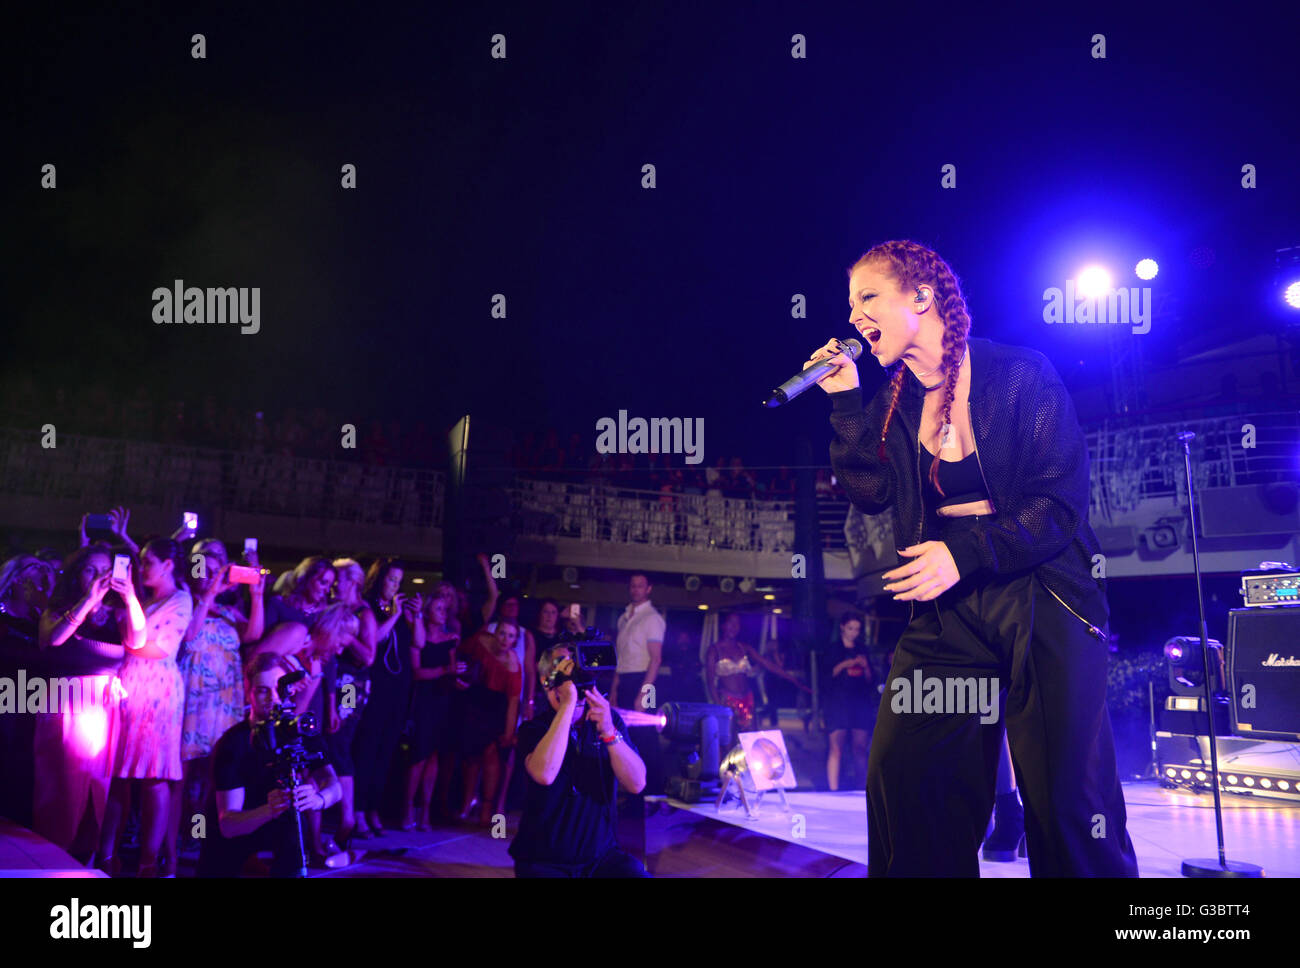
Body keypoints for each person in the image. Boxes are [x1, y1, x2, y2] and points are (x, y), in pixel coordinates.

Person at [811, 238, 1137, 877]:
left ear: (922, 297)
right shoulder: (894, 403)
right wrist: (845, 402)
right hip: (945, 612)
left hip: (1042, 594)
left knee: (1065, 798)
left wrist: (964, 552)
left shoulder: (1019, 373)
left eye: (868, 298)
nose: (853, 318)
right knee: (906, 777)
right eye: (850, 306)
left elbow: (1059, 504)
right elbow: (870, 493)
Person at [33, 547, 143, 865]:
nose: (98, 577)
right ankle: (49, 861)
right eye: (90, 570)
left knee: (97, 789)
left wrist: (131, 596)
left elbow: (137, 640)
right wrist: (89, 601)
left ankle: (86, 864)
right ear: (76, 573)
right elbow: (53, 639)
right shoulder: (56, 608)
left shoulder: (118, 614)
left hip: (103, 710)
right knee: (62, 789)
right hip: (65, 705)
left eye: (104, 571)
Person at [508, 644, 650, 877]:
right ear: (547, 681)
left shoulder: (607, 720)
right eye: (566, 670)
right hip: (543, 861)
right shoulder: (533, 729)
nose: (575, 679)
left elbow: (637, 783)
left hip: (601, 857)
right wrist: (567, 704)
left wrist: (609, 733)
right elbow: (544, 774)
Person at [197, 652, 341, 877]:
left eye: (278, 688)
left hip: (279, 827)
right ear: (249, 692)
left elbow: (334, 785)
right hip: (232, 837)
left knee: (295, 825)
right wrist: (271, 809)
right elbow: (228, 825)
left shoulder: (299, 730)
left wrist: (318, 800)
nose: (272, 698)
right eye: (263, 690)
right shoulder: (232, 743)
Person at [170, 538, 266, 871]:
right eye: (204, 568)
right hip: (193, 701)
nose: (210, 574)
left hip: (224, 701)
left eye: (216, 569)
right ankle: (175, 842)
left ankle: (199, 840)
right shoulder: (183, 602)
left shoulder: (228, 611)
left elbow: (253, 635)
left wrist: (256, 595)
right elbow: (191, 636)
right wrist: (209, 593)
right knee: (183, 779)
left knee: (213, 779)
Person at [102, 537, 192, 877]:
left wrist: (131, 633)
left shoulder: (180, 599)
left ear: (168, 564)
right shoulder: (143, 600)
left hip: (158, 691)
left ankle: (148, 861)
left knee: (155, 774)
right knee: (119, 774)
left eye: (148, 562)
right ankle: (106, 853)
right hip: (131, 686)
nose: (142, 568)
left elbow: (155, 649)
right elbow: (133, 640)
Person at [350, 558, 419, 837]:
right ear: (379, 579)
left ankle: (373, 808)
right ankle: (356, 811)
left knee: (386, 752)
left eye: (399, 582)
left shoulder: (399, 612)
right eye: (391, 580)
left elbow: (419, 644)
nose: (395, 586)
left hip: (397, 688)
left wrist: (415, 618)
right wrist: (393, 615)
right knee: (366, 750)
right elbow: (374, 642)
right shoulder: (366, 607)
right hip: (372, 687)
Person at [403, 593, 463, 829]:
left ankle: (425, 810)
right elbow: (417, 672)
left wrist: (460, 674)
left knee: (434, 757)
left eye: (445, 610)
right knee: (418, 756)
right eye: (438, 608)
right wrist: (445, 670)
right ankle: (407, 807)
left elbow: (453, 672)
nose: (442, 612)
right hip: (423, 701)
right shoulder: (418, 639)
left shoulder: (451, 640)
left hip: (444, 700)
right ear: (427, 612)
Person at [455, 621, 521, 824]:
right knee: (471, 758)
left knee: (491, 758)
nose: (505, 639)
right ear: (495, 633)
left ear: (515, 640)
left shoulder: (513, 663)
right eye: (502, 633)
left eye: (510, 636)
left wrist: (509, 733)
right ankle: (467, 803)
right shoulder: (480, 642)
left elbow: (512, 702)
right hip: (475, 703)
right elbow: (459, 653)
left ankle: (486, 808)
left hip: (497, 710)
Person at [704, 612, 808, 741]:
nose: (734, 627)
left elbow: (768, 664)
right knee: (728, 741)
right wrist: (719, 706)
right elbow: (710, 682)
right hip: (727, 700)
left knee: (751, 740)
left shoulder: (743, 648)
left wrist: (793, 679)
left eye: (737, 624)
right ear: (724, 625)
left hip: (747, 699)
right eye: (731, 623)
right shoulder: (714, 650)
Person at [611, 573, 665, 794]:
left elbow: (656, 659)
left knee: (646, 738)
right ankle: (633, 794)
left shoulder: (652, 618)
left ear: (648, 589)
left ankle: (653, 793)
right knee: (625, 737)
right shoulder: (623, 618)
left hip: (644, 680)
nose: (635, 589)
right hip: (624, 679)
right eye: (632, 585)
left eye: (640, 586)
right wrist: (614, 688)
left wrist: (643, 693)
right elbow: (620, 658)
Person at [823, 611, 877, 791]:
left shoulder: (862, 649)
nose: (854, 632)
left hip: (859, 703)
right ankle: (833, 790)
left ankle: (862, 790)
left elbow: (870, 679)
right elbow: (827, 674)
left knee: (860, 748)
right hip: (837, 703)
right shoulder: (833, 649)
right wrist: (847, 663)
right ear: (842, 627)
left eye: (857, 629)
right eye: (850, 628)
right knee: (836, 748)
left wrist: (865, 666)